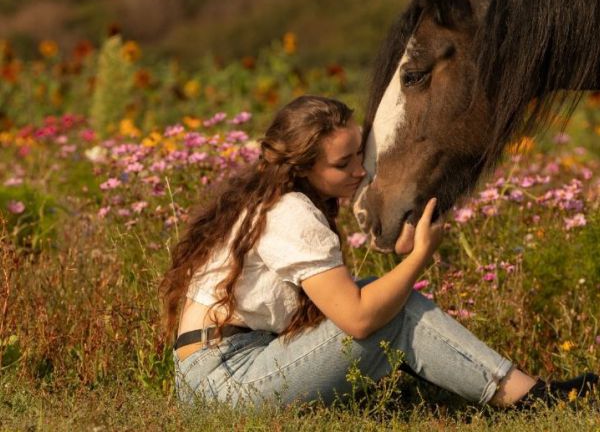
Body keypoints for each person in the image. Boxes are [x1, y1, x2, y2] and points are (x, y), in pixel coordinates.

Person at [160, 95, 597, 409]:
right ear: (302, 167)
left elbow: (342, 301)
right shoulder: (289, 212)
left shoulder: (269, 200)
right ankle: (533, 399)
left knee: (383, 297)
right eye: (343, 164)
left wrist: (400, 259)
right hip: (227, 379)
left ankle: (521, 391)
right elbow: (357, 317)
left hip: (214, 374)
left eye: (358, 155)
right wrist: (417, 259)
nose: (360, 170)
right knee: (396, 311)